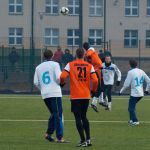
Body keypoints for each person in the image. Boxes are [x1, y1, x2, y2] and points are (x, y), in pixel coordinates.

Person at [60, 48, 98, 147]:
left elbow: (62, 76)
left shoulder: (70, 64)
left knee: (77, 118)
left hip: (76, 96)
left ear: (76, 55)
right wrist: (93, 91)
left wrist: (62, 83)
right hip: (86, 95)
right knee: (84, 116)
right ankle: (88, 139)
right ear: (84, 55)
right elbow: (95, 80)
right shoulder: (90, 66)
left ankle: (82, 140)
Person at [34, 50, 65, 142]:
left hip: (45, 94)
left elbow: (36, 82)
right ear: (52, 56)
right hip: (54, 92)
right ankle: (59, 137)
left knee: (54, 114)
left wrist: (42, 89)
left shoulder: (38, 67)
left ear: (44, 56)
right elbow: (58, 78)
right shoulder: (55, 64)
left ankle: (48, 134)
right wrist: (61, 84)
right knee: (58, 114)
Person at [119, 59, 150, 126]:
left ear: (130, 65)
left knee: (131, 108)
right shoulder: (141, 71)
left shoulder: (130, 72)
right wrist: (147, 90)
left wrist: (121, 91)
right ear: (136, 64)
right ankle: (131, 120)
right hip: (141, 94)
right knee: (131, 107)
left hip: (135, 94)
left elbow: (126, 84)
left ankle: (135, 121)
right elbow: (149, 81)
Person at [83, 42, 102, 112]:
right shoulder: (90, 51)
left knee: (99, 88)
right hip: (97, 69)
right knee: (100, 88)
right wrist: (88, 56)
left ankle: (94, 102)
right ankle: (93, 102)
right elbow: (89, 54)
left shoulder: (88, 53)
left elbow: (88, 56)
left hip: (96, 69)